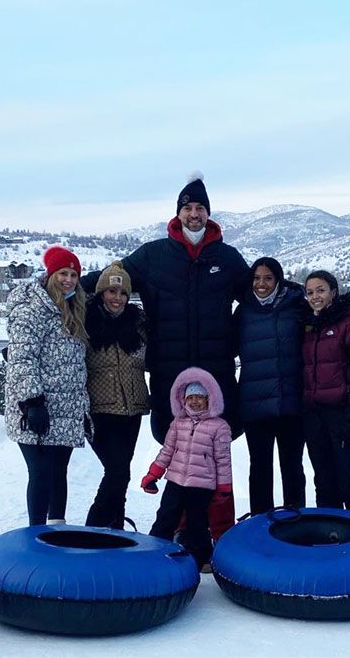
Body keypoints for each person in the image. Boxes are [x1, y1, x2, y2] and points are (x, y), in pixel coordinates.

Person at [81, 173, 248, 539]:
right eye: (187, 207)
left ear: (208, 213)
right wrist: (66, 285)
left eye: (200, 207)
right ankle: (183, 532)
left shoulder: (227, 257)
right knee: (178, 451)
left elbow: (257, 292)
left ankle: (220, 533)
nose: (193, 214)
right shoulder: (153, 256)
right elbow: (113, 277)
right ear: (177, 212)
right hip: (170, 377)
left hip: (215, 374)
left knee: (215, 452)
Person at [5, 246, 91, 526]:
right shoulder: (32, 309)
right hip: (36, 409)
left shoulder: (73, 307)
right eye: (62, 273)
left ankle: (57, 529)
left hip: (66, 408)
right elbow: (21, 358)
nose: (68, 280)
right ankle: (37, 534)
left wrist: (83, 409)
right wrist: (33, 402)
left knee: (58, 472)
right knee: (41, 473)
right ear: (50, 274)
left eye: (74, 275)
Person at [233, 257, 309, 514]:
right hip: (255, 405)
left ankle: (296, 521)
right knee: (260, 468)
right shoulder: (243, 311)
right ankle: (260, 523)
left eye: (267, 278)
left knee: (292, 467)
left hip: (292, 403)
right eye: (256, 278)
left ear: (278, 279)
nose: (261, 284)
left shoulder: (297, 306)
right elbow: (224, 348)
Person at [141, 367, 232, 569]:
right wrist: (153, 473)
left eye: (200, 397)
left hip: (202, 484)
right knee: (166, 515)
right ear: (183, 400)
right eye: (191, 397)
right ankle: (154, 550)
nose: (195, 401)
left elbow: (223, 459)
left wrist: (224, 487)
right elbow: (167, 451)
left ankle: (201, 558)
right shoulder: (178, 423)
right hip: (175, 480)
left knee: (197, 522)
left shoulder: (219, 426)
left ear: (210, 399)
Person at [302, 270, 350, 513]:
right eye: (310, 292)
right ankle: (331, 539)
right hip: (314, 415)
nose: (315, 296)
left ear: (333, 292)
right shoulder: (310, 327)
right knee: (324, 483)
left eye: (320, 290)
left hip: (343, 413)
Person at [84, 261, 150, 529]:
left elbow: (152, 359)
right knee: (117, 471)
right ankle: (94, 531)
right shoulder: (86, 323)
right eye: (111, 291)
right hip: (99, 410)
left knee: (122, 473)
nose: (117, 298)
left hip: (132, 409)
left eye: (123, 293)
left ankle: (115, 530)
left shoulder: (138, 324)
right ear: (101, 293)